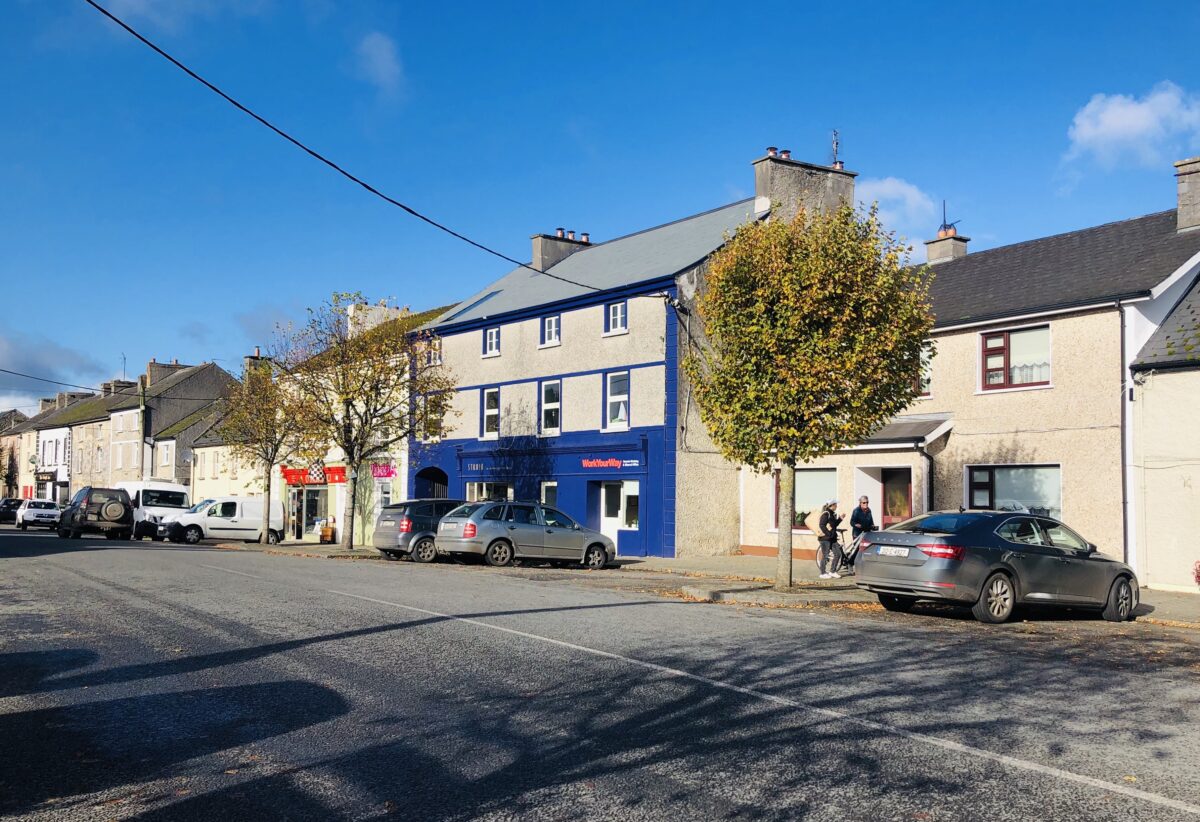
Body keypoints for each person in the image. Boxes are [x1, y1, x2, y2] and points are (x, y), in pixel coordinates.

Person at [844, 495, 877, 572]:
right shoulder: (856, 510)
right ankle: (850, 564)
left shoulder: (869, 510)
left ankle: (862, 566)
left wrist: (873, 526)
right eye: (864, 502)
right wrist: (856, 525)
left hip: (866, 532)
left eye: (867, 502)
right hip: (857, 533)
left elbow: (871, 521)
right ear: (860, 503)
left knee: (866, 549)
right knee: (857, 550)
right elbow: (852, 522)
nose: (866, 504)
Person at [817, 499, 844, 579]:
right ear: (831, 505)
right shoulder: (826, 514)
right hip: (825, 539)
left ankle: (832, 571)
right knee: (825, 555)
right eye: (835, 505)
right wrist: (829, 534)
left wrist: (840, 519)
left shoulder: (832, 514)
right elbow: (822, 525)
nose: (836, 506)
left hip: (832, 538)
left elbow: (834, 525)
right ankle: (822, 573)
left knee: (838, 553)